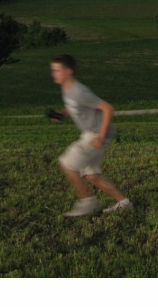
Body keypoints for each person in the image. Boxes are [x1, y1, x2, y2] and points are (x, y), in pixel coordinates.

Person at [48, 54, 132, 216]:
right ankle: (124, 203)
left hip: (95, 135)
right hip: (94, 133)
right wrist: (62, 113)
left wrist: (100, 136)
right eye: (53, 70)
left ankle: (88, 201)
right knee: (92, 175)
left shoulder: (79, 91)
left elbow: (108, 108)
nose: (54, 74)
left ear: (69, 71)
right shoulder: (66, 89)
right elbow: (76, 106)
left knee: (67, 164)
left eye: (57, 70)